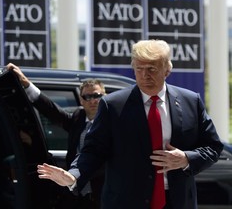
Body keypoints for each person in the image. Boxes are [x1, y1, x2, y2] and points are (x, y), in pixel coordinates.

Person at [36, 39, 224, 209]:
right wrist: (74, 175)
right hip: (126, 201)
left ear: (167, 69)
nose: (144, 75)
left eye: (151, 69)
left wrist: (186, 159)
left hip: (177, 201)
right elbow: (94, 150)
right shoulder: (113, 105)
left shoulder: (190, 101)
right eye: (139, 69)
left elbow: (213, 146)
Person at [6, 63, 106, 209]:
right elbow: (51, 110)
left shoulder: (113, 123)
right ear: (81, 100)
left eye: (97, 95)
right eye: (88, 96)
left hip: (101, 194)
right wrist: (26, 84)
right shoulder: (78, 117)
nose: (93, 100)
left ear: (105, 97)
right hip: (75, 194)